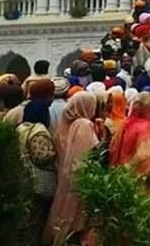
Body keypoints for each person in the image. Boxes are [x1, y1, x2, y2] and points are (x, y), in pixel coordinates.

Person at [44, 92, 99, 244]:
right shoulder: (84, 125)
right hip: (79, 180)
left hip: (67, 176)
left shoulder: (72, 123)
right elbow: (83, 157)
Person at [17, 100, 57, 246]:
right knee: (35, 224)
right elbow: (42, 156)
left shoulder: (20, 127)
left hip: (22, 179)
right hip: (37, 184)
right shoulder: (38, 130)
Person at [110, 91, 150, 184]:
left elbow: (113, 148)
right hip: (138, 181)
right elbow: (145, 156)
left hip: (121, 176)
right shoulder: (146, 127)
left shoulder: (125, 123)